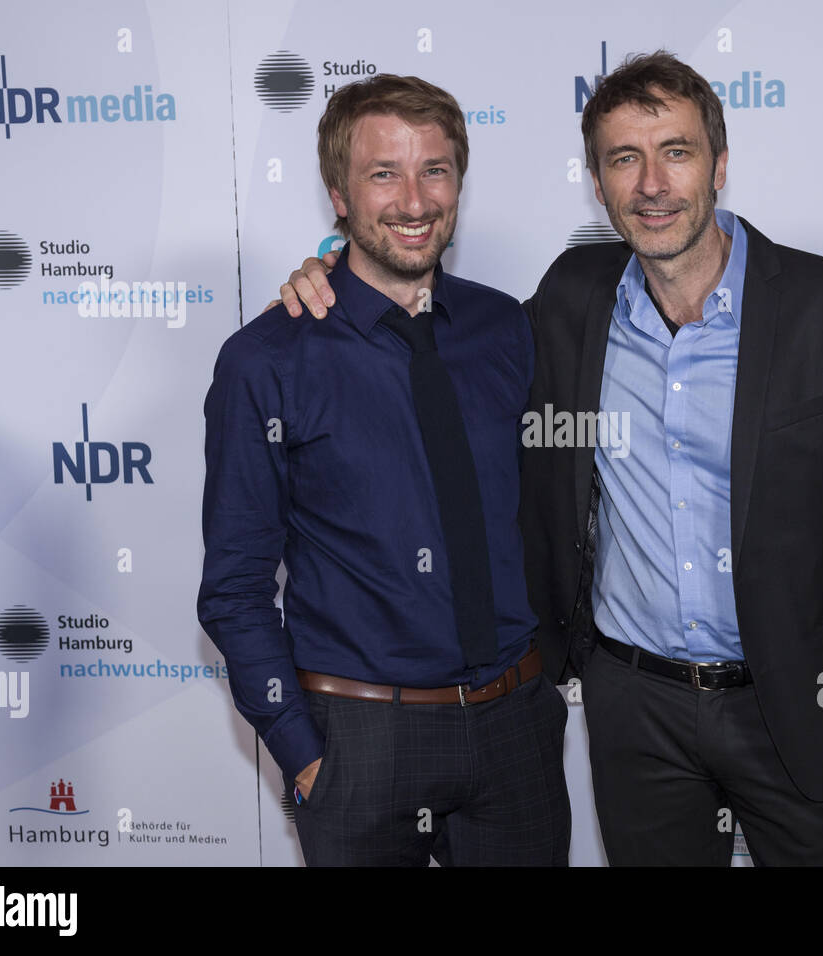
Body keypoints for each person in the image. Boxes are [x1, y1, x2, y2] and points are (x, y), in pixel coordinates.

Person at [277, 53, 823, 866]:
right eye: (623, 160)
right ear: (597, 185)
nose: (652, 185)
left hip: (807, 705)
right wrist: (329, 275)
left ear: (719, 164)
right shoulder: (574, 296)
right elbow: (419, 316)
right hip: (635, 713)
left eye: (675, 151)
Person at [197, 74, 570, 867]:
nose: (413, 200)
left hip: (517, 730)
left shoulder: (504, 326)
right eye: (382, 174)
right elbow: (233, 589)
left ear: (459, 181)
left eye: (434, 170)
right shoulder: (268, 358)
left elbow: (552, 510)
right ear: (338, 191)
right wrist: (305, 754)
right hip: (359, 739)